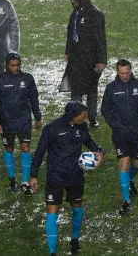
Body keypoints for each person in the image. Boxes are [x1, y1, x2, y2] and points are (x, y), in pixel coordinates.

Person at [30, 101, 104, 256]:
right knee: (52, 212)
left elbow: (89, 141)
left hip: (75, 176)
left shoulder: (81, 127)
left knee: (77, 207)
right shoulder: (52, 129)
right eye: (82, 116)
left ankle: (75, 240)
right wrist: (33, 175)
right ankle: (52, 252)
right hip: (55, 177)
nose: (85, 119)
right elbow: (39, 152)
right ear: (72, 116)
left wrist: (99, 151)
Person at [101, 59, 138, 214]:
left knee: (136, 165)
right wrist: (115, 126)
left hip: (137, 132)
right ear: (117, 72)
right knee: (124, 163)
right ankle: (126, 201)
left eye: (127, 73)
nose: (125, 76)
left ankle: (130, 180)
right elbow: (105, 110)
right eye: (121, 73)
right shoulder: (111, 88)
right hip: (120, 134)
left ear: (131, 71)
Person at [0, 53, 42, 195]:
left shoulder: (27, 79)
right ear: (7, 65)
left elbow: (34, 99)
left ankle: (24, 182)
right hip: (7, 122)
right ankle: (12, 179)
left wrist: (37, 117)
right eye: (13, 65)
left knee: (25, 148)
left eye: (18, 65)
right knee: (9, 148)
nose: (16, 68)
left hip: (24, 120)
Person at [60, 0, 107, 129]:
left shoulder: (95, 14)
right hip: (76, 58)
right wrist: (68, 51)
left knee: (91, 89)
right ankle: (75, 116)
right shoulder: (75, 13)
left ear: (82, 0)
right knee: (76, 89)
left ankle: (92, 118)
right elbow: (70, 33)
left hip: (91, 59)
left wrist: (101, 60)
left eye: (74, 0)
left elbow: (101, 39)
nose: (72, 3)